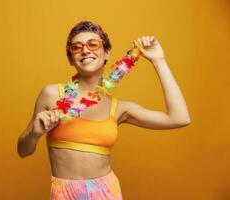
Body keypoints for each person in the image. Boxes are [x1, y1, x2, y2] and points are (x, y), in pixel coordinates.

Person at [17, 20, 191, 199]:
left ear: (106, 52)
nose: (85, 50)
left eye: (93, 44)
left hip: (106, 193)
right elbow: (23, 151)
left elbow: (180, 118)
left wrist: (159, 61)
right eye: (77, 47)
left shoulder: (120, 108)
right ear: (71, 58)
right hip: (65, 195)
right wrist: (34, 133)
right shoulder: (52, 95)